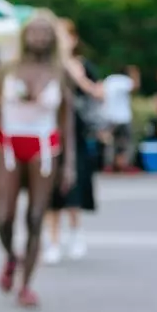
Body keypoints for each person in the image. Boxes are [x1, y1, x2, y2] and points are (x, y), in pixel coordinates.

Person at [0, 11, 71, 308]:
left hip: (45, 148)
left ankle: (26, 286)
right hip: (9, 146)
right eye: (34, 31)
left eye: (45, 32)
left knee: (36, 217)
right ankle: (12, 256)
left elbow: (67, 120)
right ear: (24, 35)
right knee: (4, 217)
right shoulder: (9, 69)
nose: (39, 37)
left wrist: (70, 164)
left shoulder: (60, 71)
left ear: (53, 38)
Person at [44, 18, 103, 264]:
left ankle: (76, 233)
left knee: (74, 186)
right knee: (48, 190)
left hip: (75, 136)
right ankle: (53, 241)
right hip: (48, 134)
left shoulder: (81, 65)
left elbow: (100, 94)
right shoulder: (46, 65)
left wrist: (80, 79)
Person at [99, 65, 138, 170]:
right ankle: (126, 164)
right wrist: (136, 74)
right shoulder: (125, 80)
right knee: (127, 143)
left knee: (110, 142)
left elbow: (100, 94)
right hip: (124, 117)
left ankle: (108, 164)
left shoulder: (109, 80)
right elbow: (135, 87)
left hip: (110, 116)